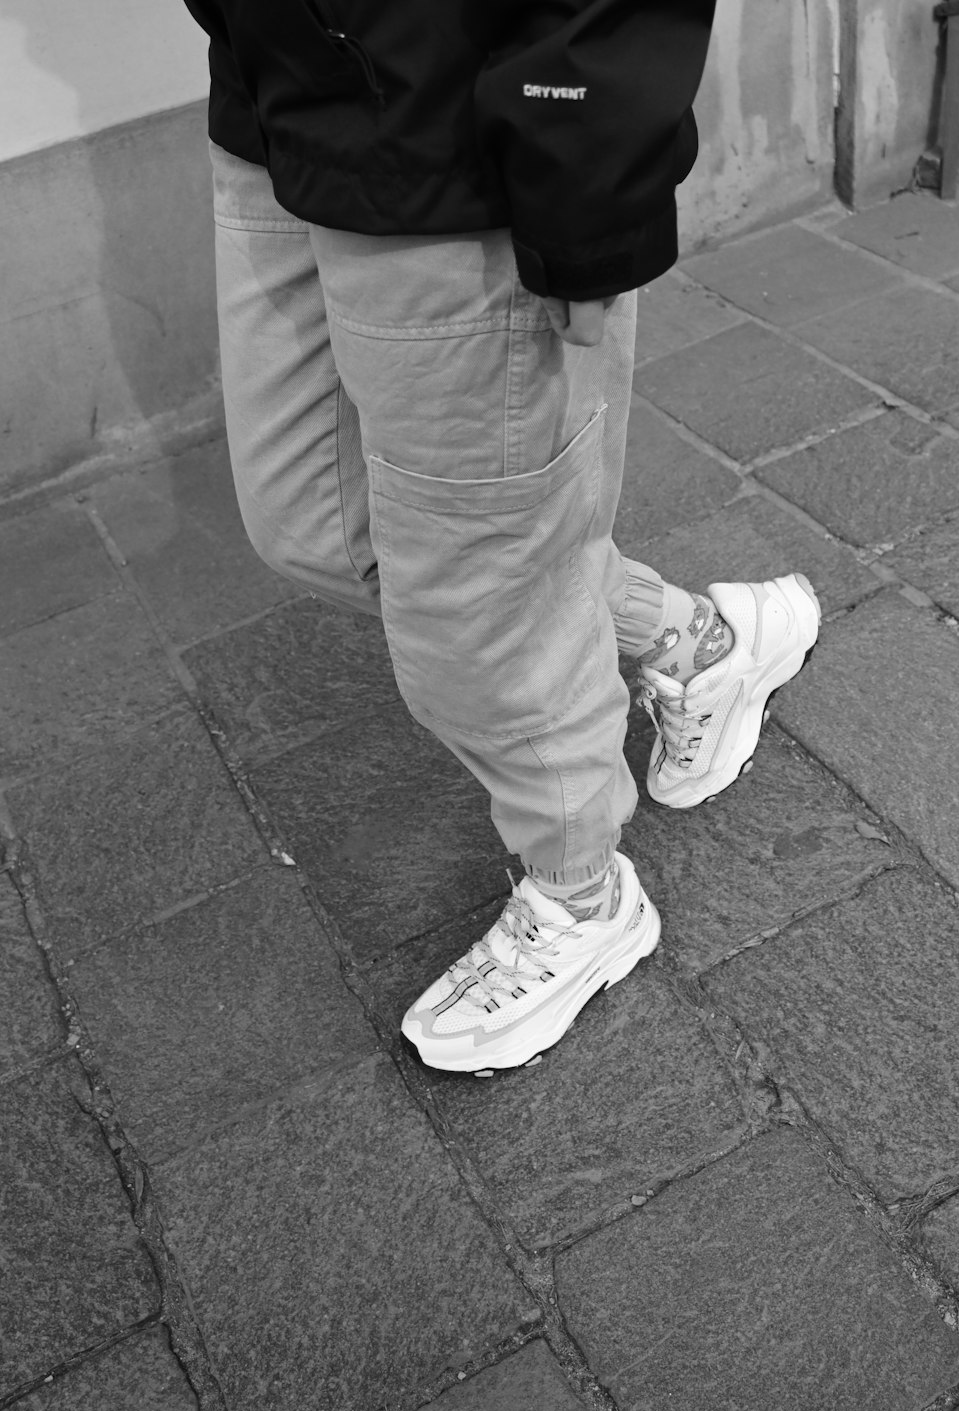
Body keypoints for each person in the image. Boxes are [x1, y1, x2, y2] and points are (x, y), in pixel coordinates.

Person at [181, 0, 820, 1074]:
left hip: (456, 130)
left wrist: (576, 193)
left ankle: (584, 897)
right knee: (317, 529)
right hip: (280, 93)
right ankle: (697, 642)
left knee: (477, 605)